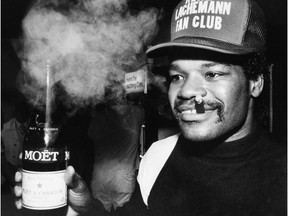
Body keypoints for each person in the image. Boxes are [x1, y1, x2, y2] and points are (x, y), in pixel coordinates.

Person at [14, 0, 286, 215]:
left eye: (212, 73)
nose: (187, 91)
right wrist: (83, 208)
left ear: (255, 82)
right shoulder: (157, 158)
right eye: (177, 76)